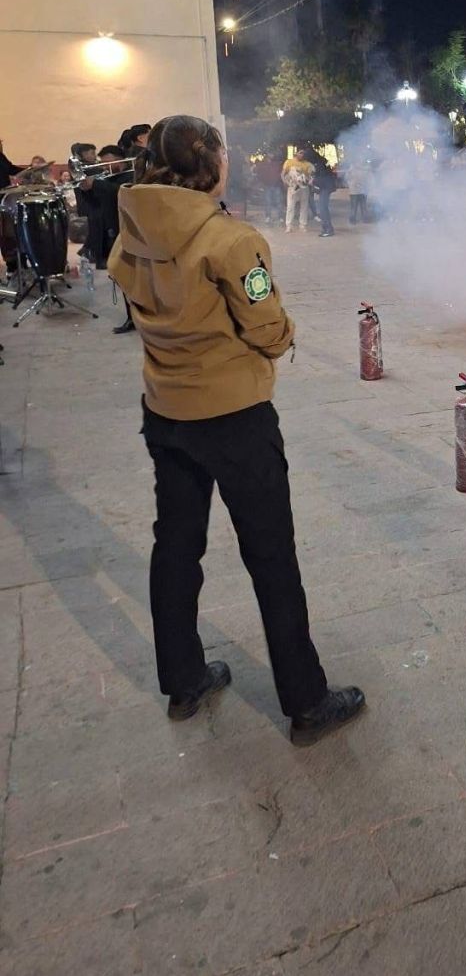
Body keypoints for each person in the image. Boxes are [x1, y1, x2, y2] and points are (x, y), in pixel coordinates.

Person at [108, 115, 365, 745]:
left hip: (166, 410)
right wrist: (283, 337)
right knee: (271, 556)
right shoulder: (230, 240)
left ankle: (184, 680)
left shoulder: (134, 228)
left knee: (175, 547)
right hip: (234, 417)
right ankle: (306, 701)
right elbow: (266, 326)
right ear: (211, 162)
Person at [281, 149, 313, 232]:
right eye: (300, 153)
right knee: (290, 207)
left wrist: (309, 180)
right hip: (292, 188)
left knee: (304, 207)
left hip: (303, 188)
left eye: (303, 153)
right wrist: (285, 182)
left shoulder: (307, 164)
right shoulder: (289, 162)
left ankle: (302, 225)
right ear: (296, 153)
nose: (302, 155)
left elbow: (310, 176)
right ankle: (289, 226)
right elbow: (283, 173)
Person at [253, 154, 284, 224]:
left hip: (275, 185)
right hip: (269, 185)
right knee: (269, 202)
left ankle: (278, 217)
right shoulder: (266, 165)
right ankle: (269, 217)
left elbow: (281, 174)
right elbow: (259, 173)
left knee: (276, 202)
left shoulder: (276, 164)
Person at [313, 159, 338, 238]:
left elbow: (321, 180)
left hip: (325, 188)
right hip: (326, 188)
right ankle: (326, 228)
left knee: (323, 208)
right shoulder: (324, 166)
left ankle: (328, 229)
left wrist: (313, 181)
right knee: (323, 208)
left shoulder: (320, 167)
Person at [346, 157, 370, 223]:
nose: (358, 163)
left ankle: (364, 219)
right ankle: (353, 219)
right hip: (354, 191)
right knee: (354, 207)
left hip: (361, 190)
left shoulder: (364, 169)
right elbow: (347, 178)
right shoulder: (351, 170)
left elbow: (367, 179)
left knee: (363, 206)